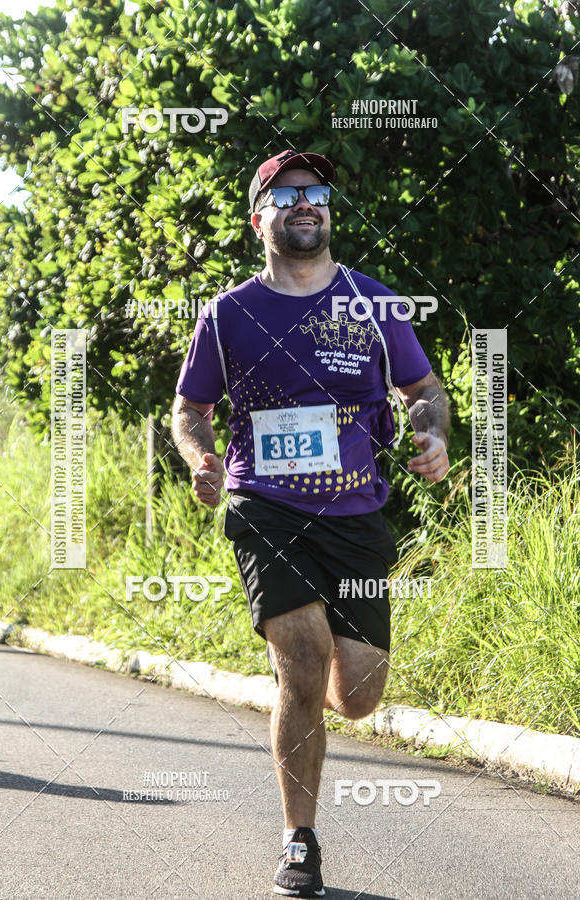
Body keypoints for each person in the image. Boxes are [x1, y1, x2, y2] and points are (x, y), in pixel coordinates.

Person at [171, 149, 450, 898]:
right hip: (266, 507)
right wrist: (201, 458)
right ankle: (300, 840)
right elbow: (189, 409)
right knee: (299, 665)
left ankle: (319, 688)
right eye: (287, 194)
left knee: (356, 695)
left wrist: (433, 433)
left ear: (328, 211)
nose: (306, 203)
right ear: (258, 217)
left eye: (317, 193)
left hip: (356, 514)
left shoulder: (374, 303)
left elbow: (423, 387)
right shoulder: (227, 315)